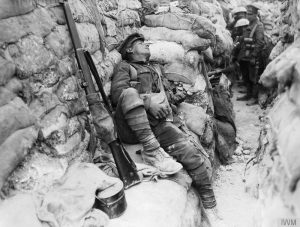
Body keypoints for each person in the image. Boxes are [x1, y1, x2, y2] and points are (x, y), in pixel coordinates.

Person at [111, 33, 219, 214]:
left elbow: (166, 97)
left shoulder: (154, 69)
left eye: (146, 43)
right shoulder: (125, 67)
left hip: (158, 125)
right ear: (130, 49)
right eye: (140, 43)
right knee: (129, 93)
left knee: (192, 155)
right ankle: (152, 150)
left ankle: (210, 204)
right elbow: (117, 95)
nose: (146, 45)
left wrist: (175, 98)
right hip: (131, 127)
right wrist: (148, 102)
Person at [236, 4, 265, 105]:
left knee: (254, 78)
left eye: (250, 14)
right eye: (247, 14)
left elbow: (260, 42)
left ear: (256, 14)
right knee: (246, 76)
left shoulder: (259, 26)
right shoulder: (248, 24)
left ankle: (254, 97)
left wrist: (253, 56)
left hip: (252, 57)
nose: (248, 16)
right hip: (244, 56)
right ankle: (248, 94)